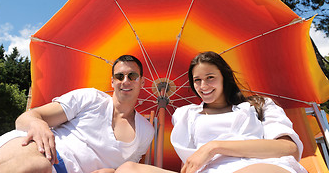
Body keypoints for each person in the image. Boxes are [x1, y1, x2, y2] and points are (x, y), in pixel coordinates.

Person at [115, 51, 307, 173]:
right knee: (127, 169)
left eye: (210, 77)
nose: (203, 86)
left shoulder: (257, 105)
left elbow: (288, 148)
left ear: (224, 77)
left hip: (254, 166)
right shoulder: (186, 114)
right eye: (197, 80)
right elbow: (188, 163)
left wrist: (214, 147)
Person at [0, 55, 154, 173]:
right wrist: (39, 124)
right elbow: (26, 118)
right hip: (42, 151)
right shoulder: (91, 98)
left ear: (142, 81)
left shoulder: (146, 131)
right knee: (39, 165)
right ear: (112, 81)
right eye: (119, 76)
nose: (125, 81)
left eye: (132, 76)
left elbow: (129, 168)